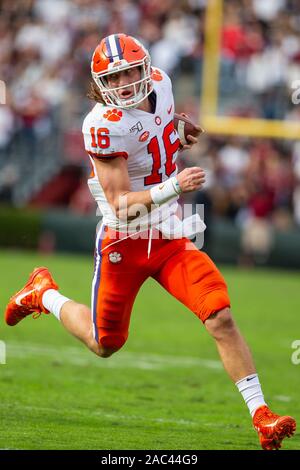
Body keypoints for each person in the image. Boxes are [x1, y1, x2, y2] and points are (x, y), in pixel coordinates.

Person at [5, 33, 296, 450]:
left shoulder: (160, 83)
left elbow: (156, 129)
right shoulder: (101, 126)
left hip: (171, 232)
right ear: (99, 84)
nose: (124, 83)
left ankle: (262, 416)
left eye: (129, 72)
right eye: (115, 77)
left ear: (145, 69)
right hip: (124, 238)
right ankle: (43, 294)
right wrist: (173, 186)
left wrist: (179, 129)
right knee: (105, 343)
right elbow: (122, 204)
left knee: (220, 315)